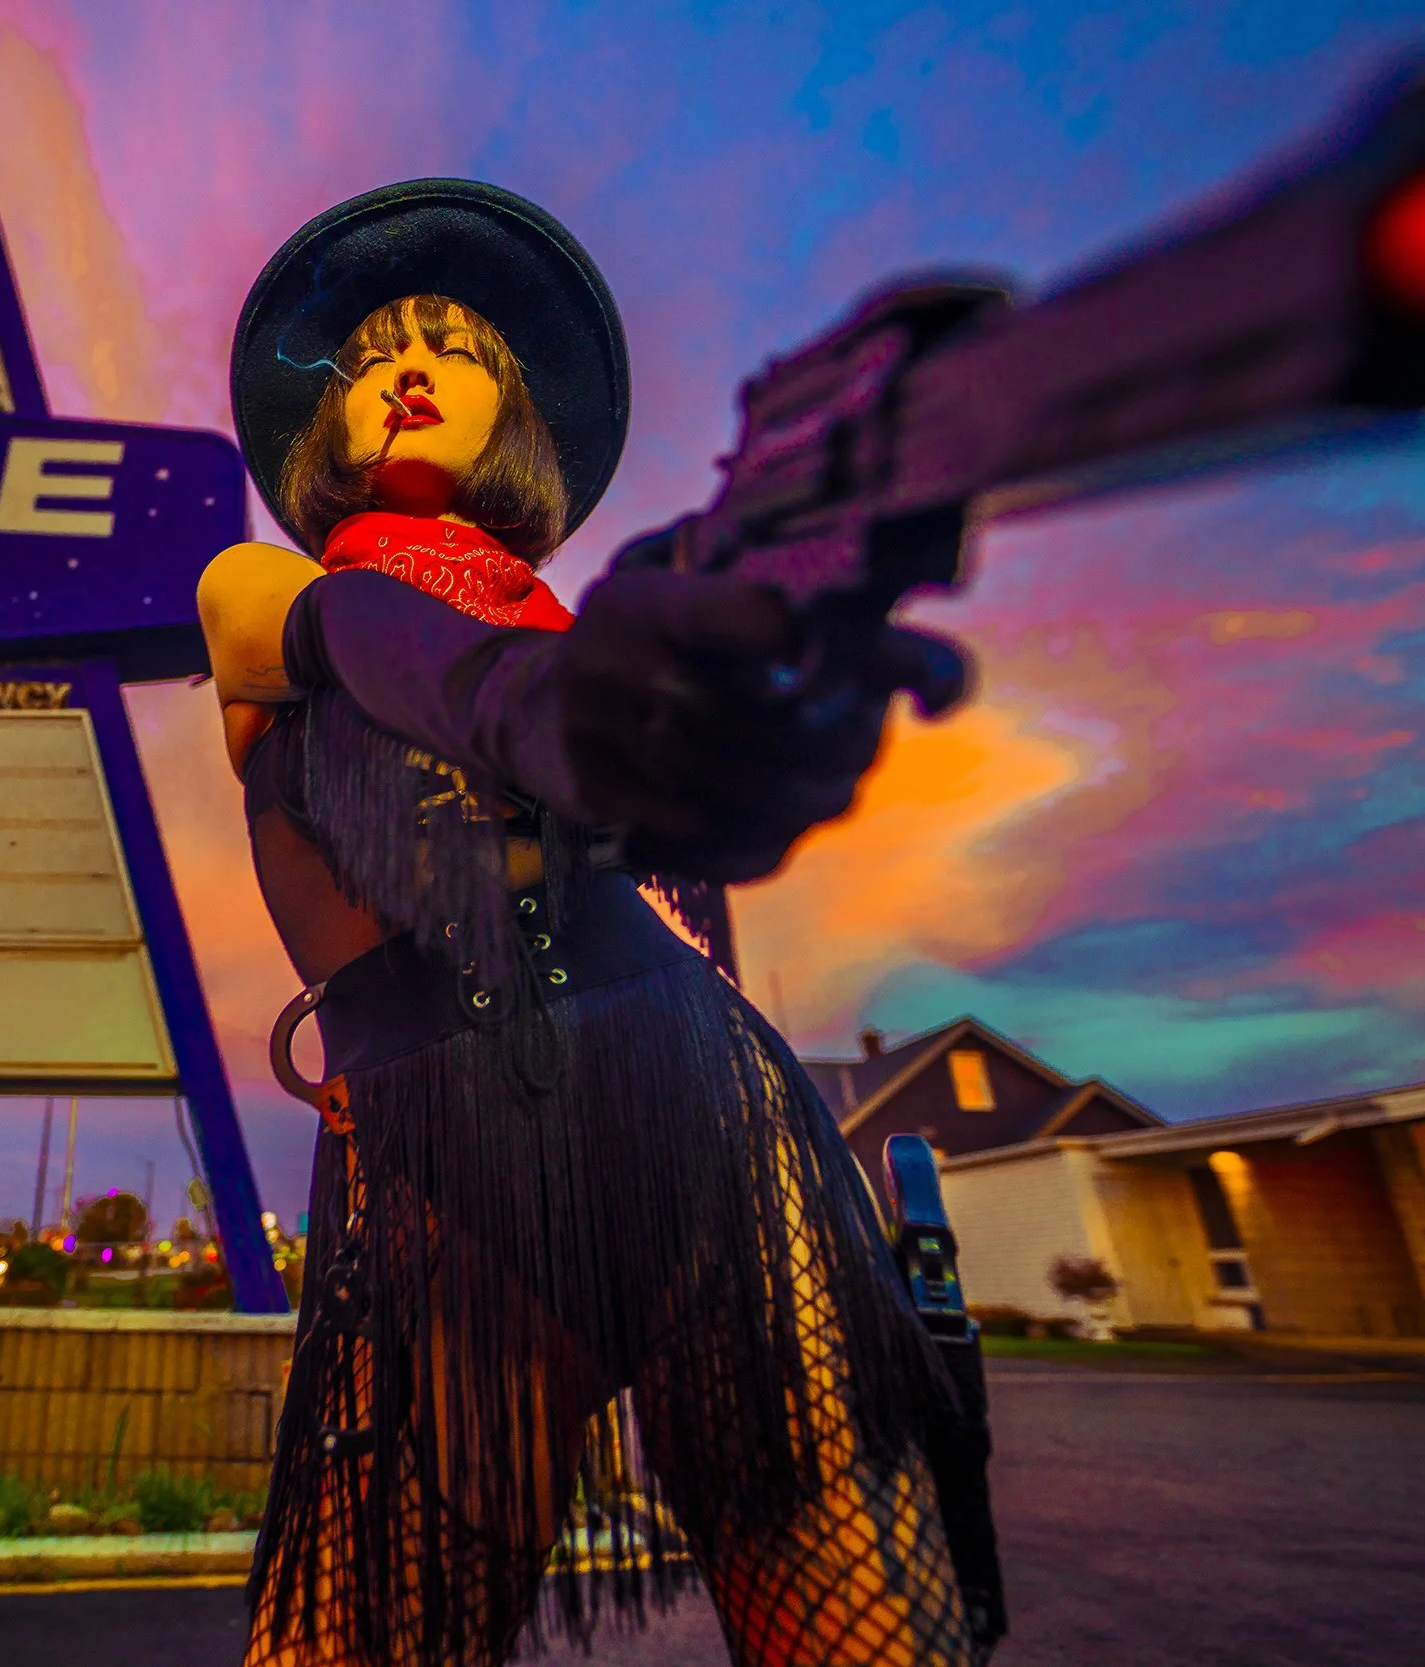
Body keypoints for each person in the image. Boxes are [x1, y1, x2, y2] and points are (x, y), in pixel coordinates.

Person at [201, 181, 981, 1667]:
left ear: (513, 416)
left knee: (873, 1628)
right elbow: (355, 649)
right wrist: (530, 707)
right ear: (335, 421)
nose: (411, 368)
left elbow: (696, 891)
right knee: (352, 1637)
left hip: (708, 1125)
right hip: (443, 1165)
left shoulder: (611, 635)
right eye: (373, 355)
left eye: (455, 347)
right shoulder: (266, 592)